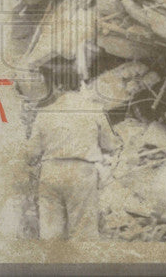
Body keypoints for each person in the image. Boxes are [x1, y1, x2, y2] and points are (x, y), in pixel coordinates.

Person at [25, 87, 121, 240]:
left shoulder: (44, 113)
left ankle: (53, 261)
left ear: (56, 89)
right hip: (82, 172)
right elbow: (109, 145)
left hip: (51, 171)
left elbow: (32, 153)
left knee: (51, 234)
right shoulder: (94, 109)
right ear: (81, 87)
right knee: (83, 233)